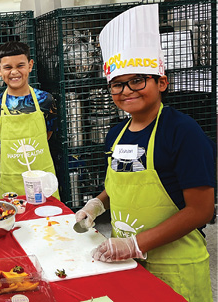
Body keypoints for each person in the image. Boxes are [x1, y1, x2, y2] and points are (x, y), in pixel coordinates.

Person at [74, 5, 214, 301]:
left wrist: (137, 243)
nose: (126, 90)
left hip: (175, 267)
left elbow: (201, 210)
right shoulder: (116, 134)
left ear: (161, 82)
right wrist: (95, 205)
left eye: (137, 80)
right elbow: (119, 185)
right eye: (117, 84)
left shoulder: (182, 132)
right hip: (125, 263)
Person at [0, 41, 59, 200]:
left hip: (43, 180)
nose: (14, 72)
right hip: (12, 183)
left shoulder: (46, 101)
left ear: (30, 65)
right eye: (8, 67)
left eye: (20, 65)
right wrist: (1, 177)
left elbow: (46, 135)